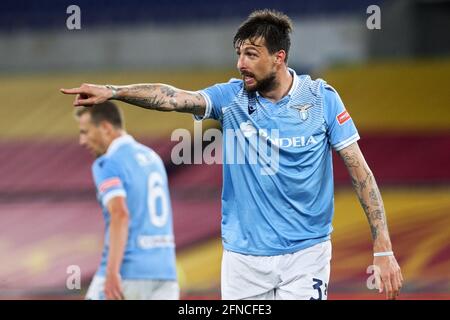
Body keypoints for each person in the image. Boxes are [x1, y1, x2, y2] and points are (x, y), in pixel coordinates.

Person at [62, 9, 402, 300]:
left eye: (252, 54)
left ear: (279, 57)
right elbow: (172, 98)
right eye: (239, 53)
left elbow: (361, 173)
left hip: (306, 254)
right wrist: (114, 92)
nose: (241, 63)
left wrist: (383, 247)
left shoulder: (322, 100)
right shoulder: (231, 97)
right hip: (243, 260)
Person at [74, 102, 179, 300]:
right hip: (166, 274)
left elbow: (120, 214)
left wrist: (112, 273)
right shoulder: (153, 157)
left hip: (128, 271)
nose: (82, 140)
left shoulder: (108, 163)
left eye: (85, 132)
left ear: (105, 127)